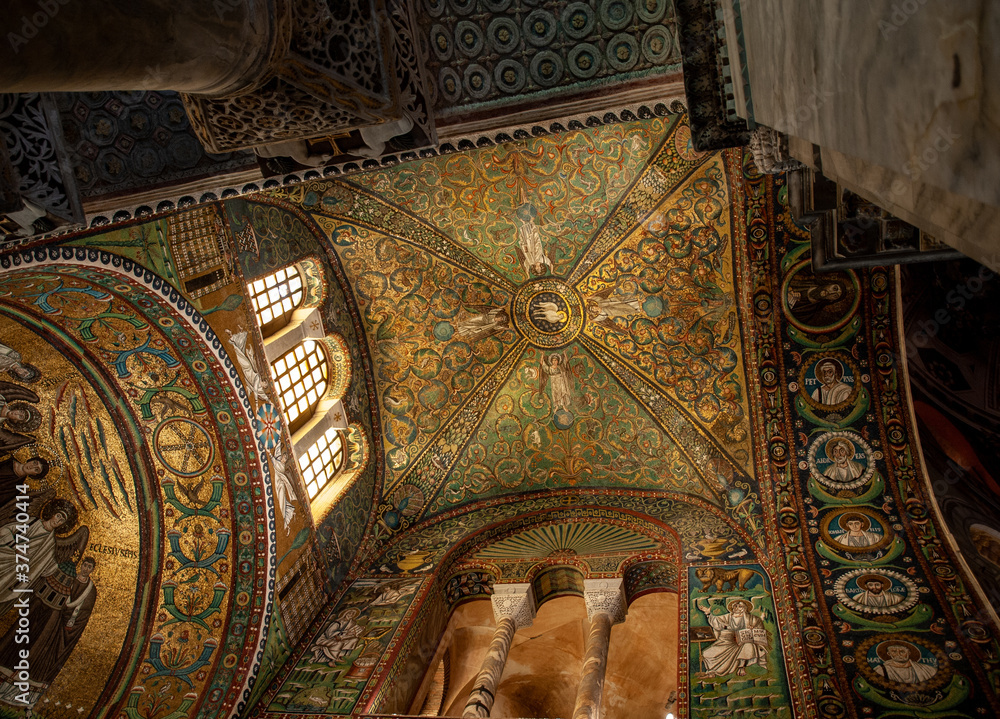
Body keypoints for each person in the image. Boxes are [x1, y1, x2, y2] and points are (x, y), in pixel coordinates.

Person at [0, 556, 98, 708]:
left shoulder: (90, 590)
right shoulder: (69, 579)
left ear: (92, 570)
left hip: (57, 631)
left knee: (40, 658)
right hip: (46, 621)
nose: (86, 568)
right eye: (84, 565)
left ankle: (21, 695)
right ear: (81, 566)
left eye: (89, 567)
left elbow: (84, 613)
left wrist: (69, 620)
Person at [0, 498, 88, 615]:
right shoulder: (32, 523)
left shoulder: (51, 544)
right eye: (58, 516)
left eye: (62, 520)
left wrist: (66, 564)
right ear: (52, 513)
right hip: (4, 559)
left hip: (14, 575)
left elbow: (47, 569)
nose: (58, 521)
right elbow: (4, 530)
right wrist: (15, 547)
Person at [698, 599, 769, 677]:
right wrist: (708, 613)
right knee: (707, 653)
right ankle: (712, 672)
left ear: (745, 608)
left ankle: (741, 667)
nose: (737, 608)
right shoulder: (727, 617)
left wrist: (752, 629)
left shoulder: (753, 619)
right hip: (728, 642)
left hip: (743, 643)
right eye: (735, 606)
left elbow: (760, 631)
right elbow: (717, 623)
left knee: (748, 646)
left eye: (740, 606)